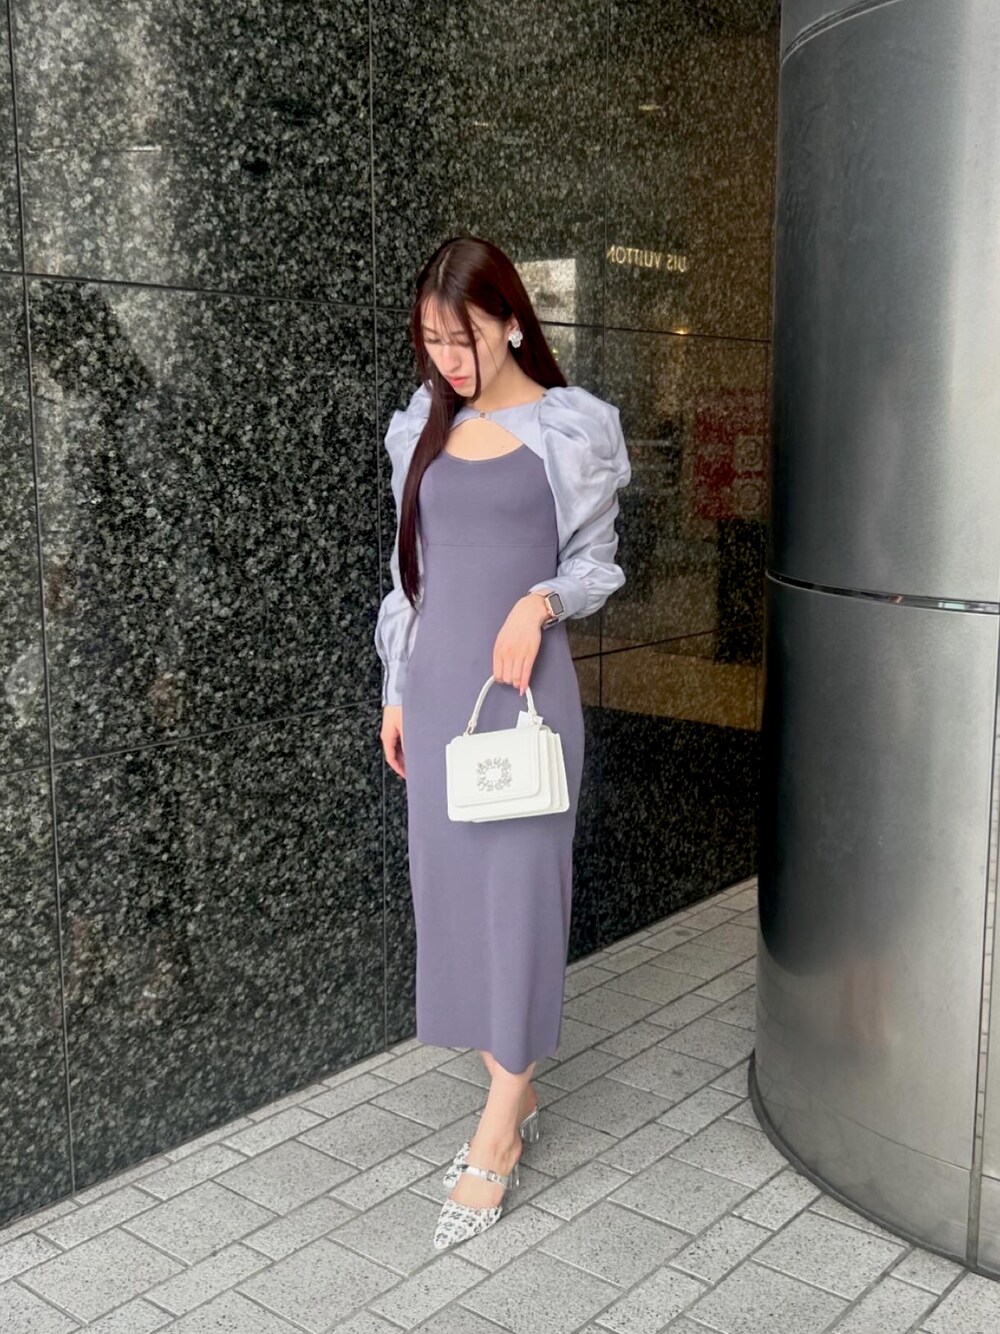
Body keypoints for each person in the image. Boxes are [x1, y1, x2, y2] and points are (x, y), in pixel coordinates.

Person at [375, 235, 630, 1250]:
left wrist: (539, 601)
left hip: (527, 697)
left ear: (512, 321)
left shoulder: (569, 428)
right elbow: (411, 577)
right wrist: (397, 690)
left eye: (465, 337)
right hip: (438, 691)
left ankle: (501, 1120)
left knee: (521, 889)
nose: (448, 360)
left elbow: (597, 562)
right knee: (452, 891)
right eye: (432, 341)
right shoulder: (421, 427)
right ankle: (510, 1082)